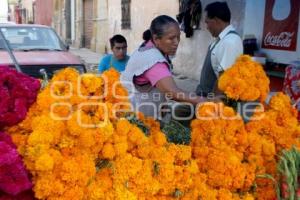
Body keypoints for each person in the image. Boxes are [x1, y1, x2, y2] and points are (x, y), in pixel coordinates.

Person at [121, 15, 208, 120]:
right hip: (134, 115)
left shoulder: (150, 46)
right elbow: (173, 92)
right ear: (156, 39)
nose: (176, 43)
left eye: (178, 37)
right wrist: (207, 102)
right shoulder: (154, 60)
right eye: (171, 38)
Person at [196, 1, 243, 97]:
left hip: (211, 101)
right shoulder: (220, 39)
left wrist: (211, 105)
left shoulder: (230, 41)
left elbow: (224, 79)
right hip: (203, 96)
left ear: (216, 20)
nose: (207, 27)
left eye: (207, 22)